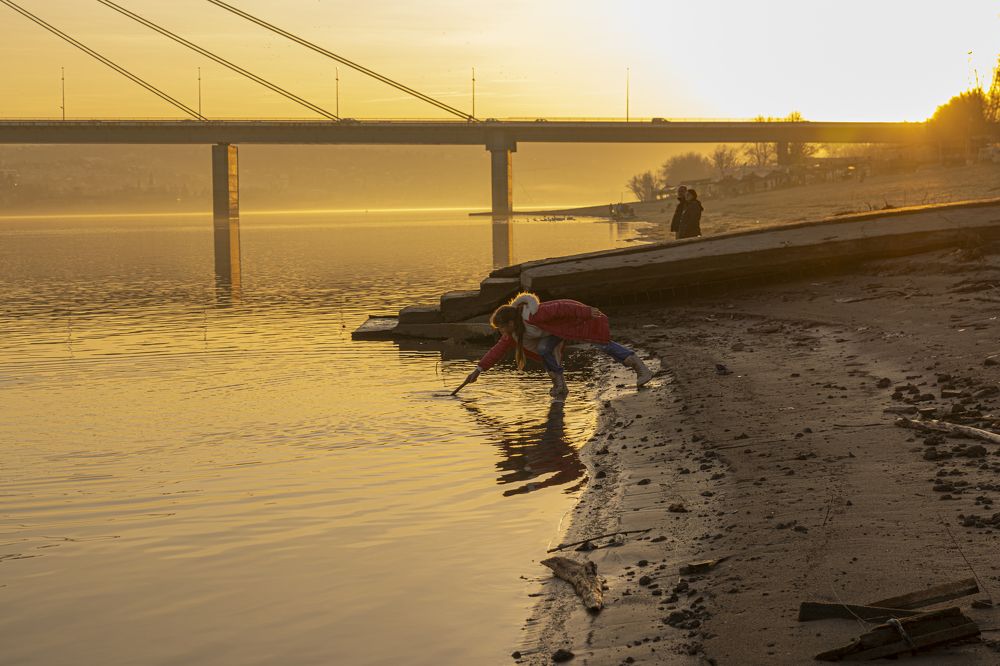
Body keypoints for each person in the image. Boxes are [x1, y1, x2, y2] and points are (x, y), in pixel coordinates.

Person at [463, 292, 654, 398]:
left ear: (511, 323)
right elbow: (496, 351)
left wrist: (586, 312)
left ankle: (640, 368)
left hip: (574, 323)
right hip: (555, 334)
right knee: (544, 349)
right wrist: (478, 370)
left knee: (602, 345)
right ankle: (560, 385)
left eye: (501, 327)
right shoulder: (514, 333)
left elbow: (563, 306)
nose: (500, 332)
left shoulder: (535, 313)